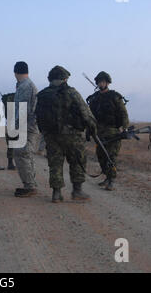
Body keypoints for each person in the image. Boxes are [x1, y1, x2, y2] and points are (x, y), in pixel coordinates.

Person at [36, 66, 97, 203]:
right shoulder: (71, 92)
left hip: (51, 135)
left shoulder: (42, 95)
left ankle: (56, 194)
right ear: (64, 79)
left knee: (55, 163)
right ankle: (77, 191)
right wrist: (92, 127)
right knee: (77, 160)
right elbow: (85, 113)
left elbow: (38, 116)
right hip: (72, 135)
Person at [86, 72, 129, 190]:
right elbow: (90, 116)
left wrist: (123, 127)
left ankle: (111, 180)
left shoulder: (115, 96)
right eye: (99, 81)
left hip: (113, 131)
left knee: (111, 156)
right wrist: (88, 130)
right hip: (99, 132)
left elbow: (123, 113)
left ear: (107, 83)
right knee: (101, 156)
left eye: (103, 81)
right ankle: (106, 177)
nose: (101, 83)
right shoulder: (94, 98)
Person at [12, 62, 39, 198]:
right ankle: (30, 184)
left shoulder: (25, 86)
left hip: (26, 127)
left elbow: (23, 110)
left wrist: (17, 127)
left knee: (22, 155)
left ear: (16, 72)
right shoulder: (25, 85)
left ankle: (30, 186)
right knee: (25, 155)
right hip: (28, 126)